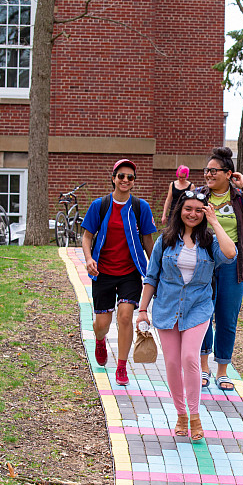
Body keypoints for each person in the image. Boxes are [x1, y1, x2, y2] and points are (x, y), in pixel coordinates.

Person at [136, 191, 237, 440]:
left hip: (198, 307)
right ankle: (181, 414)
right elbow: (151, 277)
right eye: (188, 208)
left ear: (205, 213)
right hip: (167, 307)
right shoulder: (165, 240)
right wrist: (142, 311)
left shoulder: (209, 241)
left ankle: (195, 415)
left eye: (198, 210)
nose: (192, 214)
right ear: (180, 210)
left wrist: (214, 222)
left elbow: (231, 253)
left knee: (190, 357)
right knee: (171, 362)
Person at [198, 146, 243, 392]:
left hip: (233, 263)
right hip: (204, 262)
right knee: (203, 316)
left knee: (227, 318)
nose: (208, 175)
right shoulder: (199, 195)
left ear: (228, 173)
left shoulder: (240, 197)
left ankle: (222, 370)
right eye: (206, 170)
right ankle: (203, 367)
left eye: (214, 171)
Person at [81, 159, 158, 386]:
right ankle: (99, 340)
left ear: (134, 182)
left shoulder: (139, 207)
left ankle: (122, 367)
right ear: (113, 178)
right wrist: (88, 259)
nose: (125, 180)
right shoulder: (100, 205)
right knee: (102, 323)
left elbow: (147, 240)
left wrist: (155, 268)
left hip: (130, 272)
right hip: (103, 271)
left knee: (125, 316)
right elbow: (86, 236)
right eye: (121, 176)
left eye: (130, 177)